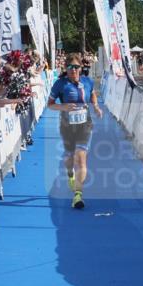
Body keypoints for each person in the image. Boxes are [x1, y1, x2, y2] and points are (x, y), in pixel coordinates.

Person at [48, 53, 103, 209]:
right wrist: (63, 107)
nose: (73, 70)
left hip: (85, 125)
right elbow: (50, 104)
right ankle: (70, 174)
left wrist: (96, 107)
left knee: (81, 159)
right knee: (69, 159)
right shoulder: (60, 84)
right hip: (67, 126)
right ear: (66, 68)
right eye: (70, 67)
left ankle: (78, 195)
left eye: (76, 67)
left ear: (81, 68)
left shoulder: (87, 81)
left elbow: (92, 94)